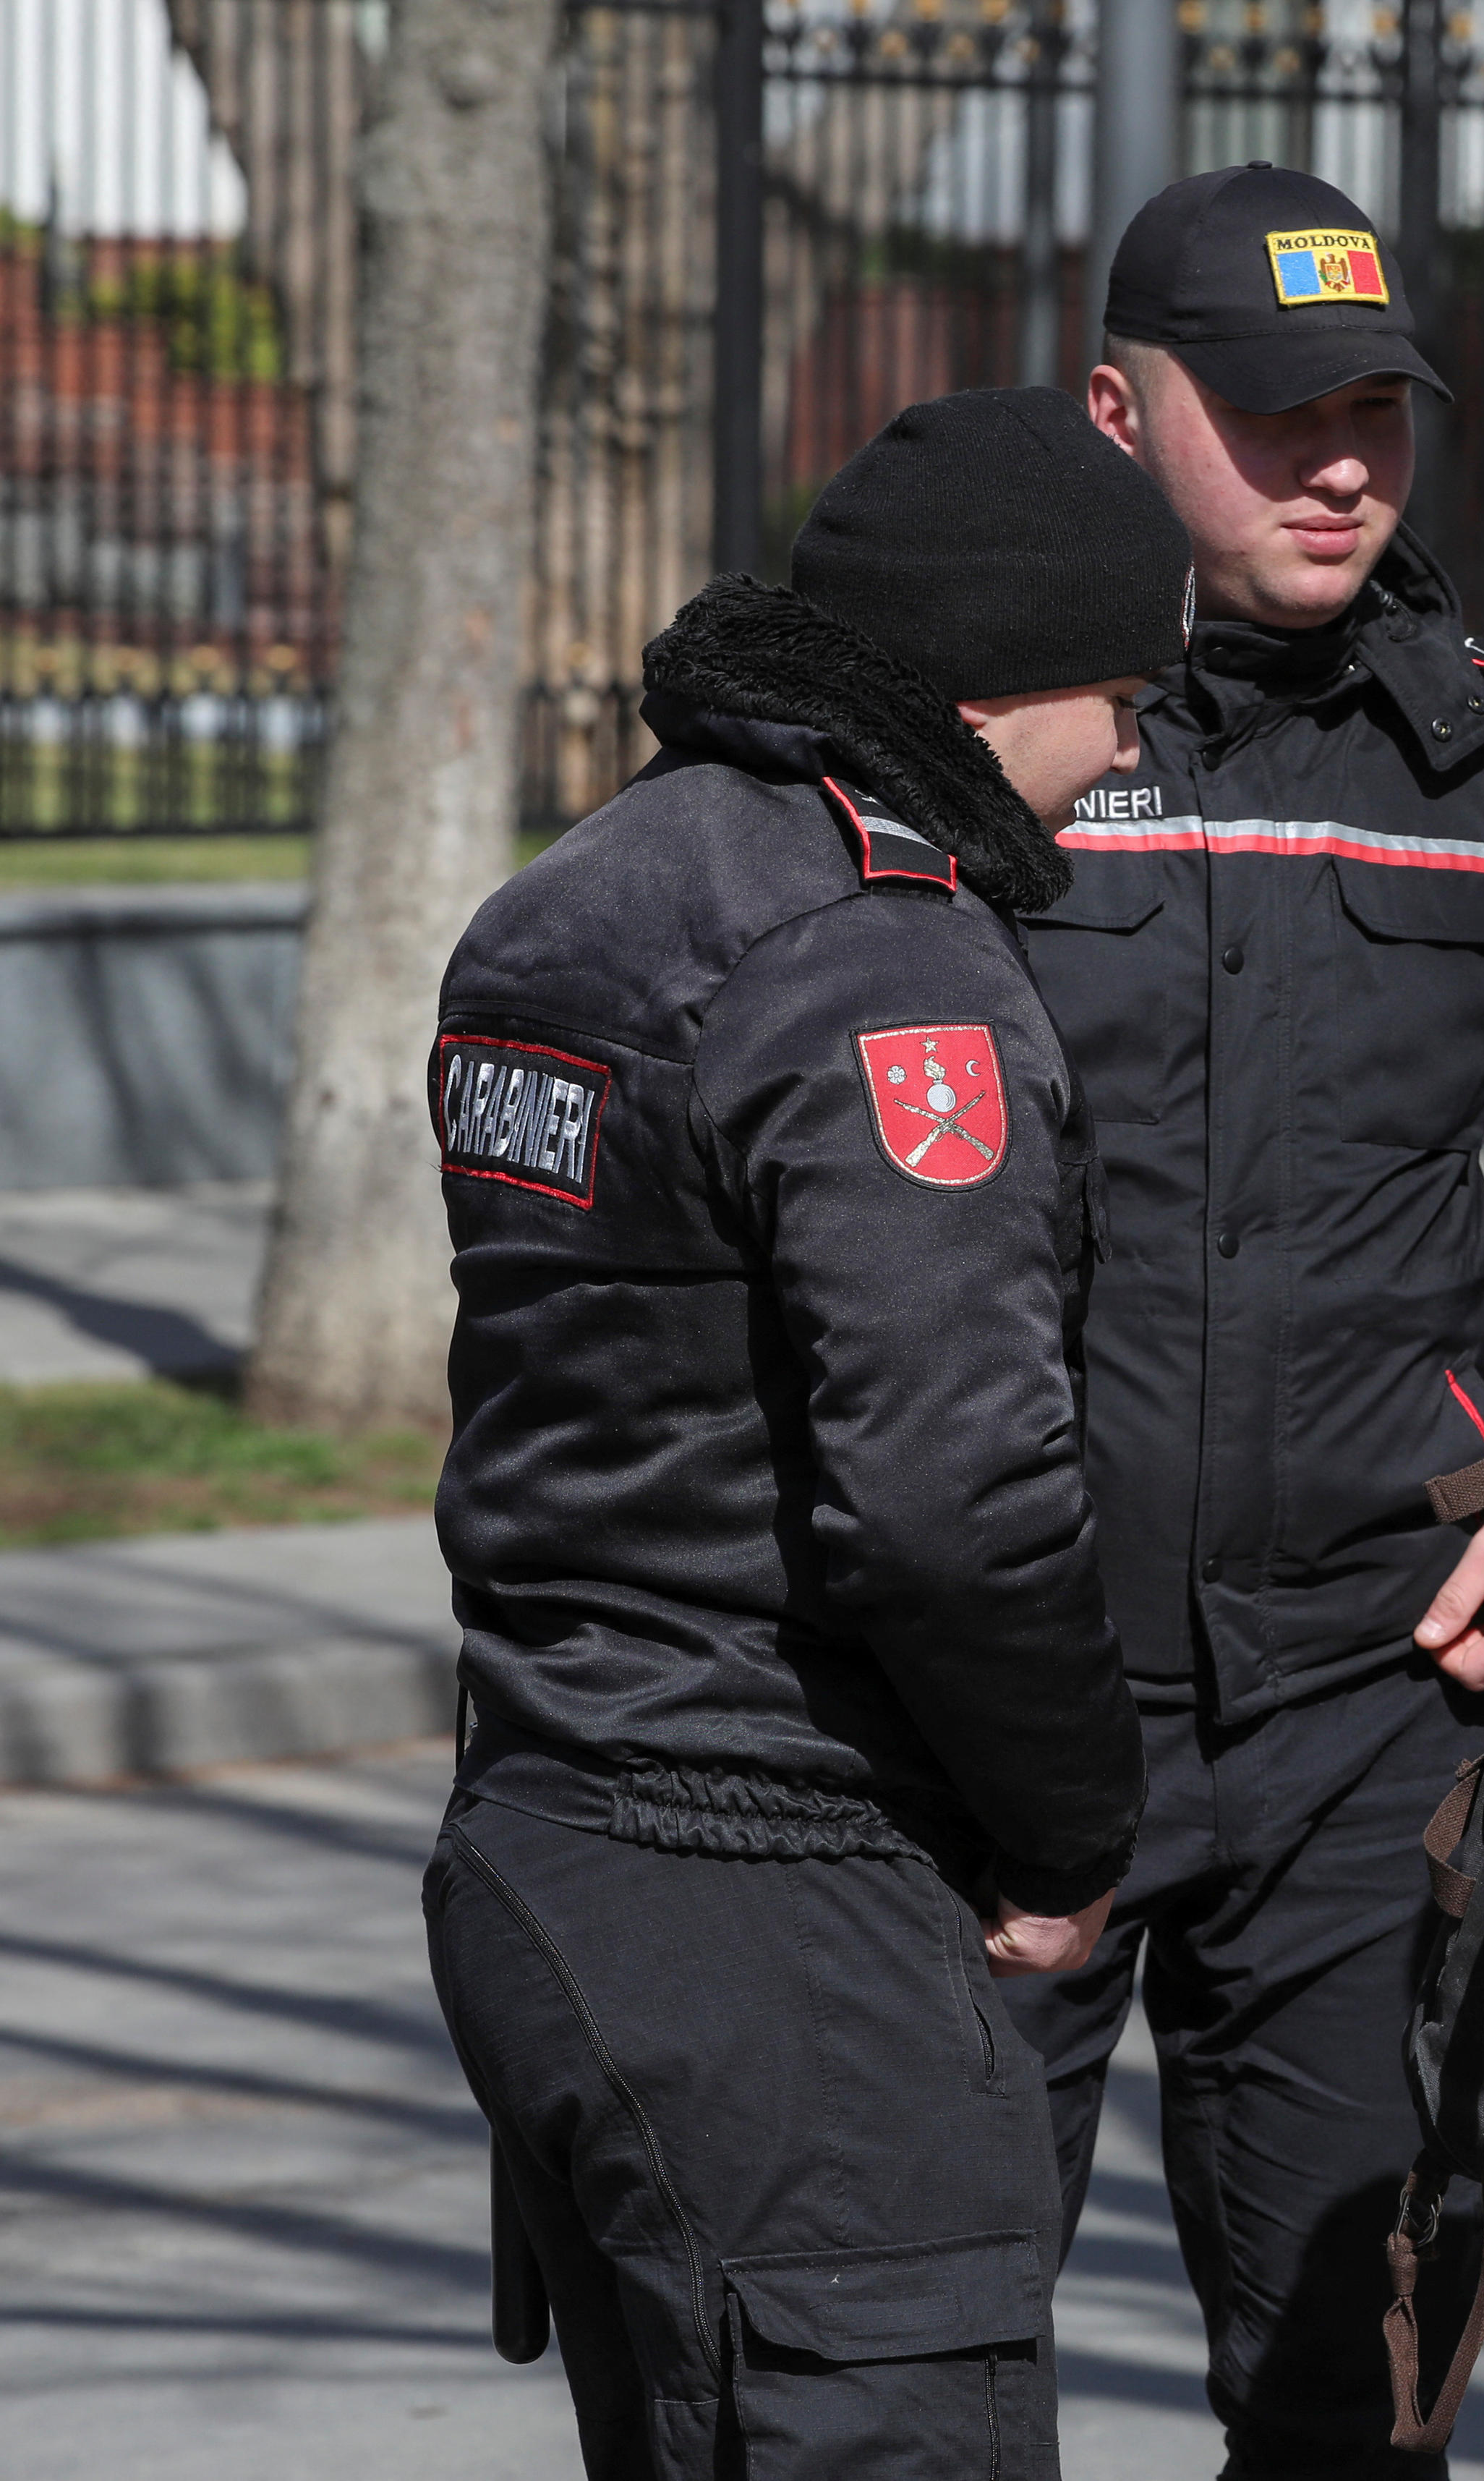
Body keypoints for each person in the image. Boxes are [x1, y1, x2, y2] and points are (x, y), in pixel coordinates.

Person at [997, 163, 1484, 2474]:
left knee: (1355, 2381)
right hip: (1004, 1690)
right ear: (1120, 416)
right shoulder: (984, 733)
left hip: (1369, 1703)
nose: (1342, 463)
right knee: (907, 2369)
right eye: (1277, 412)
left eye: (1379, 413)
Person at [422, 386, 1187, 2477]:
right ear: (998, 667)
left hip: (558, 1843)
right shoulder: (878, 962)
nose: (1128, 750)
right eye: (1121, 692)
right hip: (775, 1901)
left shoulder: (584, 887)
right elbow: (954, 1496)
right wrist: (1067, 1838)